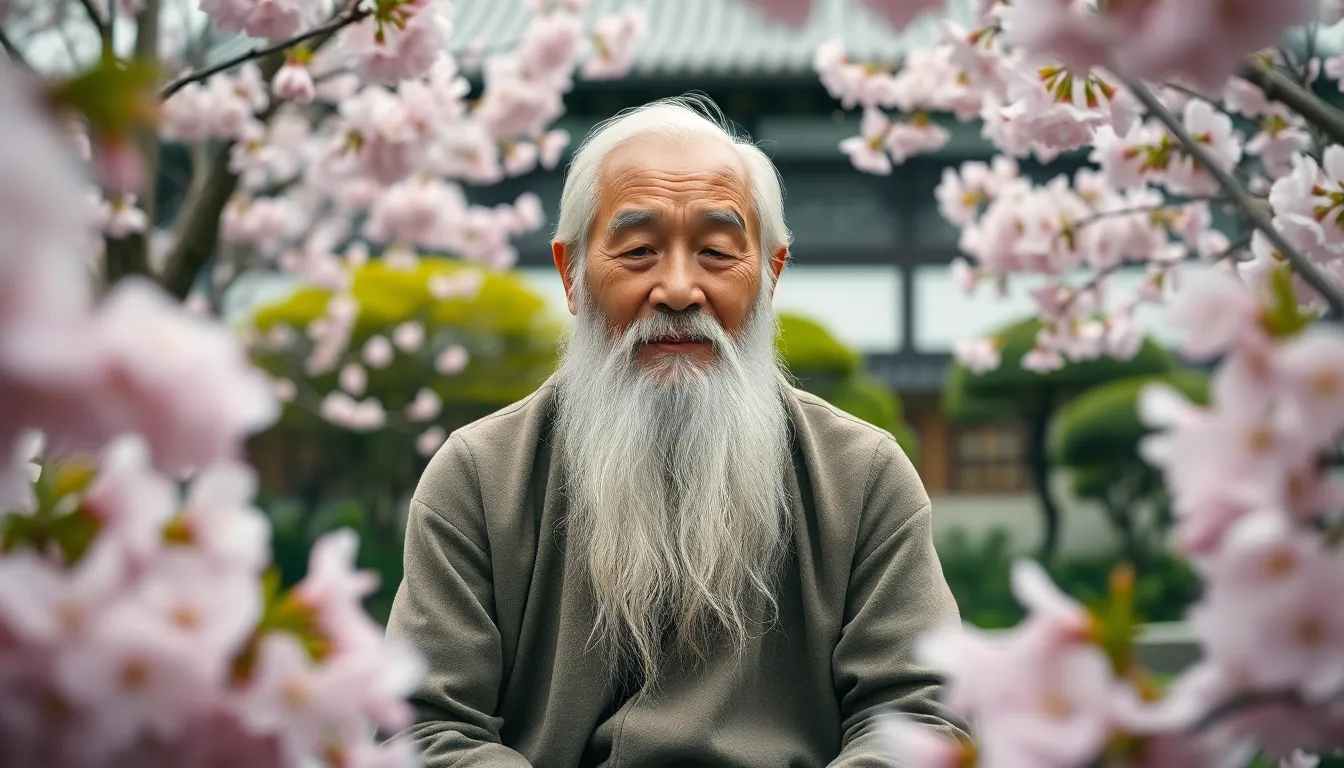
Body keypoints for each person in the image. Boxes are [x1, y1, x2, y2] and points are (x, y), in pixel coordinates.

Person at [385, 95, 969, 767]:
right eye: (638, 250)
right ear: (571, 276)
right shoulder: (479, 479)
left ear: (769, 277)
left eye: (718, 252)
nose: (680, 289)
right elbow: (421, 728)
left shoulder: (862, 478)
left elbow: (921, 717)